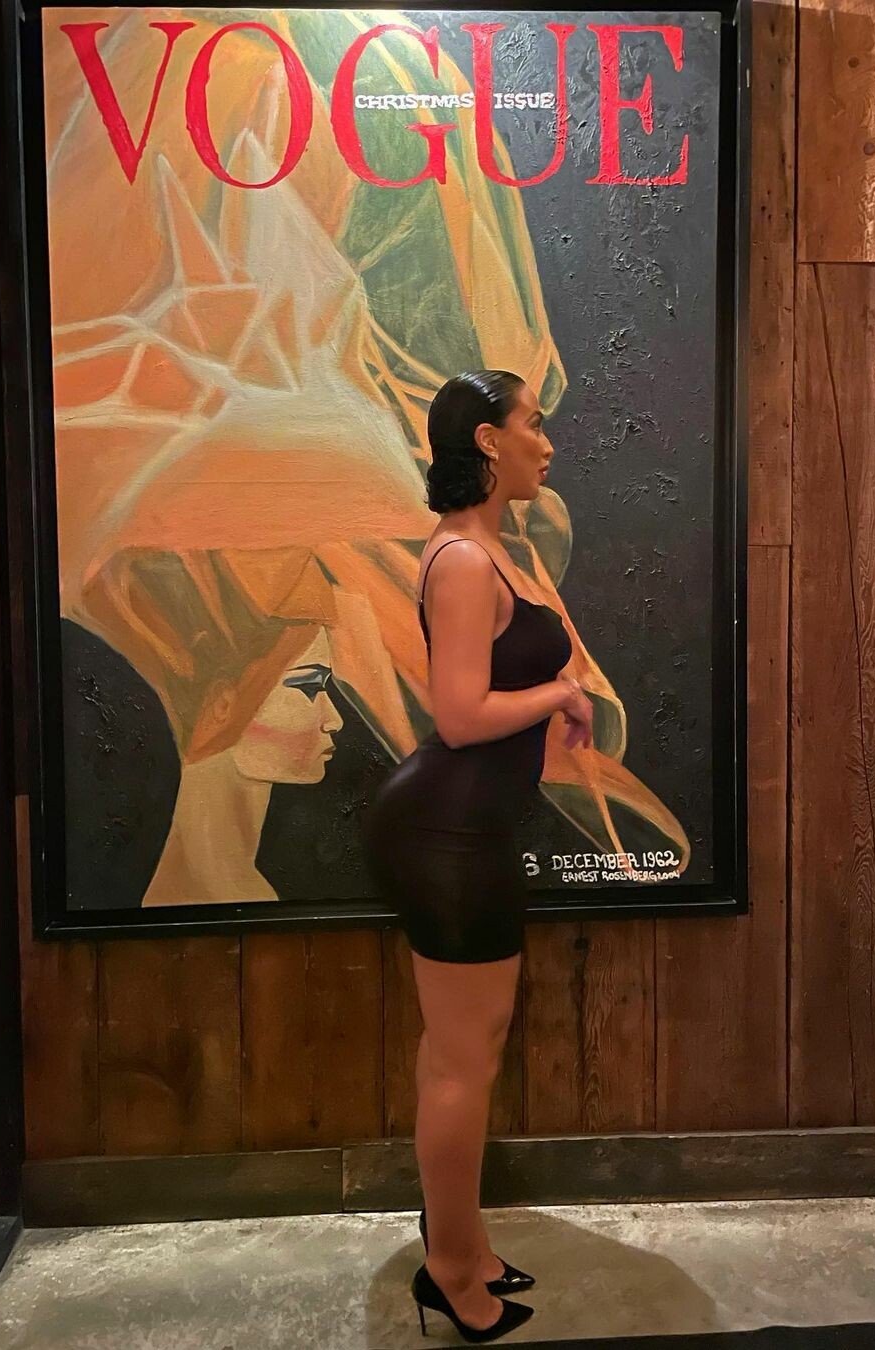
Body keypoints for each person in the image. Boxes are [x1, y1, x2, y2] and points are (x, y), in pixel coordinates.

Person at [362, 370, 594, 1342]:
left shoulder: (488, 549)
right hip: (447, 835)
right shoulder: (463, 559)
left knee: (458, 1056)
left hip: (469, 831)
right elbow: (458, 716)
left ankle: (464, 1243)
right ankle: (453, 1272)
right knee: (464, 1061)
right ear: (491, 441)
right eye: (534, 424)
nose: (548, 442)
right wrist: (558, 695)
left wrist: (555, 693)